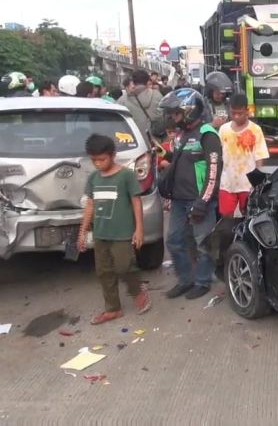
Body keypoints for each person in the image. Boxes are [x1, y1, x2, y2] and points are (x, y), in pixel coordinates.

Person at [77, 134, 151, 325]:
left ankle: (137, 291)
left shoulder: (126, 175)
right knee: (104, 271)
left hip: (122, 233)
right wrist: (83, 232)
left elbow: (136, 202)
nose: (98, 164)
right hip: (101, 233)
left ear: (113, 155)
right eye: (94, 160)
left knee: (124, 266)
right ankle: (113, 308)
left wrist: (139, 229)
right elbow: (90, 205)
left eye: (102, 159)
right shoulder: (93, 178)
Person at [159, 88, 222, 300]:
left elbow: (214, 171)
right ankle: (185, 280)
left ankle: (203, 281)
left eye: (176, 113)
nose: (172, 117)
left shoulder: (208, 135)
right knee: (175, 241)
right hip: (179, 200)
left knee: (203, 244)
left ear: (190, 111)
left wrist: (203, 202)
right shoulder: (181, 135)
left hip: (199, 201)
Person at [218, 94, 269, 218]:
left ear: (247, 111)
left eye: (239, 113)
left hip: (247, 184)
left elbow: (260, 156)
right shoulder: (224, 129)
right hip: (227, 183)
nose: (236, 116)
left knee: (249, 216)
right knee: (225, 218)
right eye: (233, 113)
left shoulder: (255, 130)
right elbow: (218, 155)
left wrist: (256, 184)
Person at [118, 69, 163, 136]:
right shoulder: (158, 96)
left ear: (133, 81)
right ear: (147, 81)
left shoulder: (123, 100)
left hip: (134, 140)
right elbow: (162, 116)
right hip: (155, 140)